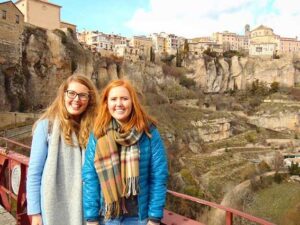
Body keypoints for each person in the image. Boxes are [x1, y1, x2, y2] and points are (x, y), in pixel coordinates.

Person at [82, 79, 168, 225]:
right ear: (106, 103)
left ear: (132, 101)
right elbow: (90, 177)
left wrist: (154, 218)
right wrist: (91, 218)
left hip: (139, 217)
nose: (119, 104)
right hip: (107, 217)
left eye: (124, 98)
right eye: (113, 99)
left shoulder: (148, 132)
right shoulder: (98, 134)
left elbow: (159, 176)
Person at [26, 75, 99, 225]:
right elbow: (34, 173)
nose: (76, 99)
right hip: (54, 208)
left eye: (83, 95)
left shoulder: (95, 129)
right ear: (64, 94)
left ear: (90, 99)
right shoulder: (46, 126)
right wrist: (35, 213)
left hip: (89, 210)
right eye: (71, 93)